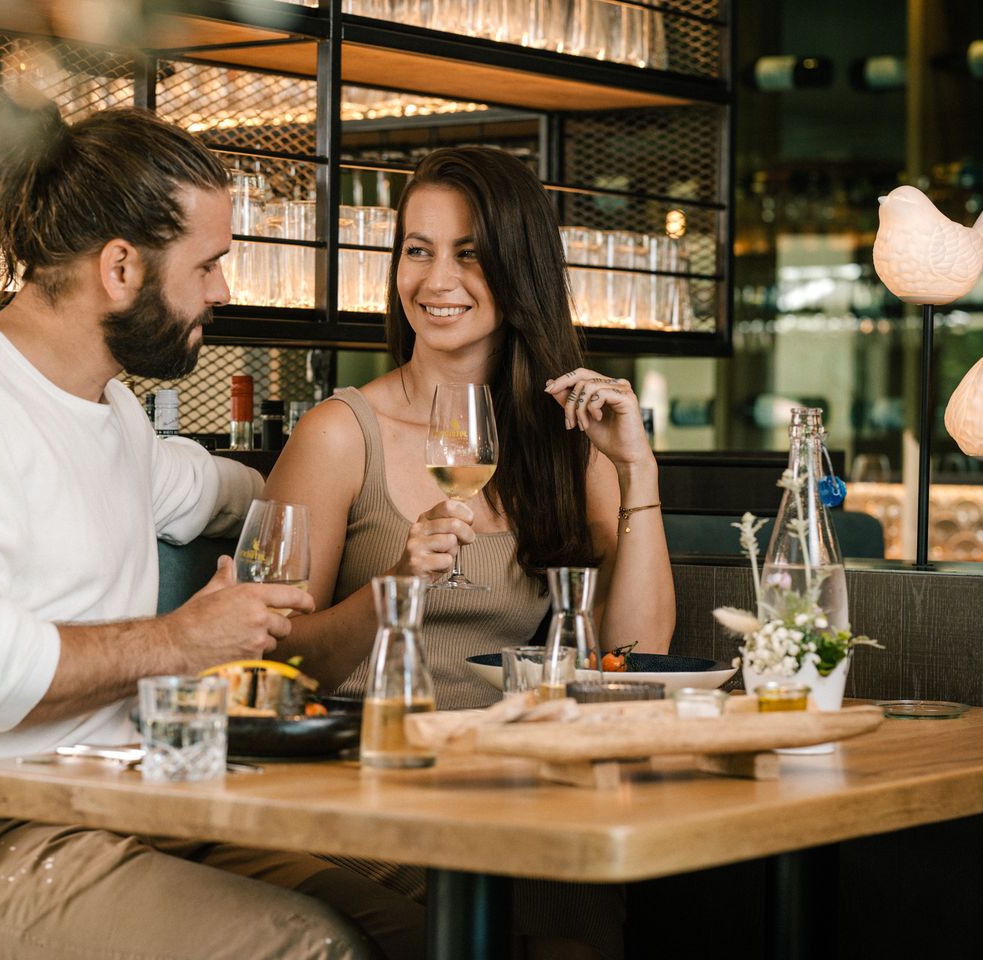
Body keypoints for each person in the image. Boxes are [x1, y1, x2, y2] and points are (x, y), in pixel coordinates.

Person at [0, 98, 423, 960]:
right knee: (303, 947)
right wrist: (179, 640)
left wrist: (357, 481)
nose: (223, 290)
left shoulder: (114, 417)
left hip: (119, 812)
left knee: (416, 924)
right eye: (207, 265)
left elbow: (214, 489)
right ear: (121, 268)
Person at [264, 146, 676, 958]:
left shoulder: (567, 441)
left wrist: (638, 471)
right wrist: (394, 586)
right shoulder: (341, 435)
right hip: (371, 794)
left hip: (514, 789)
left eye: (468, 254)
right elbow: (275, 664)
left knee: (579, 895)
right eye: (417, 250)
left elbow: (639, 656)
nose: (435, 279)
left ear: (518, 269)